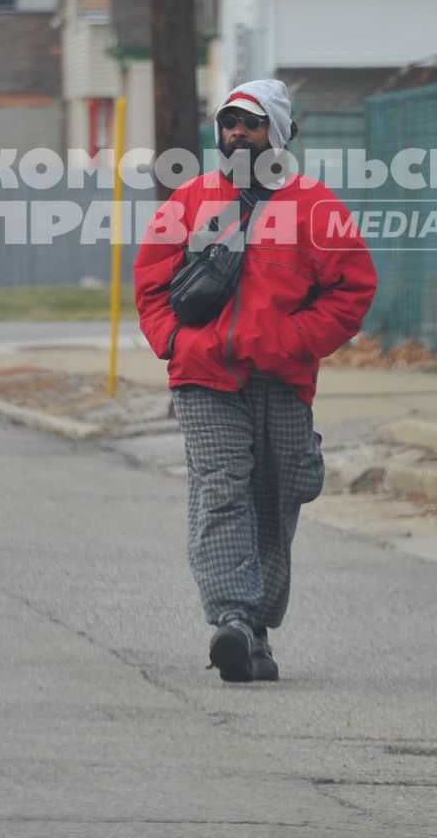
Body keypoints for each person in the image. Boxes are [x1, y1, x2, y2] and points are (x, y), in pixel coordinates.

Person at [134, 79, 377, 683]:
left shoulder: (316, 206)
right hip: (205, 376)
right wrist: (175, 342)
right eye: (229, 122)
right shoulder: (190, 200)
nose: (238, 133)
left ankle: (256, 630)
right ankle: (232, 619)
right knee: (222, 488)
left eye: (252, 122)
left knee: (278, 494)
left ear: (281, 132)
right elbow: (150, 285)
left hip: (283, 378)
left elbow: (352, 293)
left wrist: (290, 342)